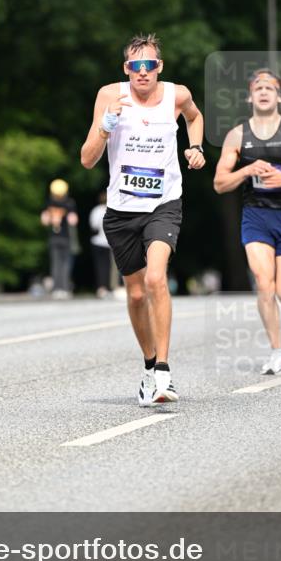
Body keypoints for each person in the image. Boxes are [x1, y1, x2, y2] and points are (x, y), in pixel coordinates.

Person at [80, 33, 205, 405]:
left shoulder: (176, 95)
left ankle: (164, 371)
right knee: (135, 294)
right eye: (136, 66)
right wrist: (105, 126)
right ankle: (149, 366)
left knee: (155, 278)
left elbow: (195, 118)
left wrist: (195, 146)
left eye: (150, 65)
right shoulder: (110, 96)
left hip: (163, 204)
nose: (143, 72)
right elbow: (87, 159)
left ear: (159, 67)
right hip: (121, 210)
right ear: (126, 69)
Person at [213, 69, 281, 376]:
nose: (263, 92)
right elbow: (220, 183)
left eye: (270, 88)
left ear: (278, 96)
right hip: (255, 217)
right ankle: (277, 352)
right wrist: (246, 172)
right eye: (258, 87)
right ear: (250, 96)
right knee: (264, 283)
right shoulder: (237, 135)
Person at [40, 179, 78, 299]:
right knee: (64, 264)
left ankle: (59, 289)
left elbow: (44, 220)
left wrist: (52, 218)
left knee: (57, 264)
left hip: (56, 237)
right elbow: (74, 220)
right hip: (64, 237)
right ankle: (63, 289)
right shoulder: (70, 203)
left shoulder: (49, 203)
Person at [89, 192, 113, 298]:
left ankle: (101, 288)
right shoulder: (111, 209)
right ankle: (108, 288)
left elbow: (93, 226)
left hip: (97, 241)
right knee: (108, 267)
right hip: (108, 242)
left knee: (99, 266)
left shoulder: (96, 210)